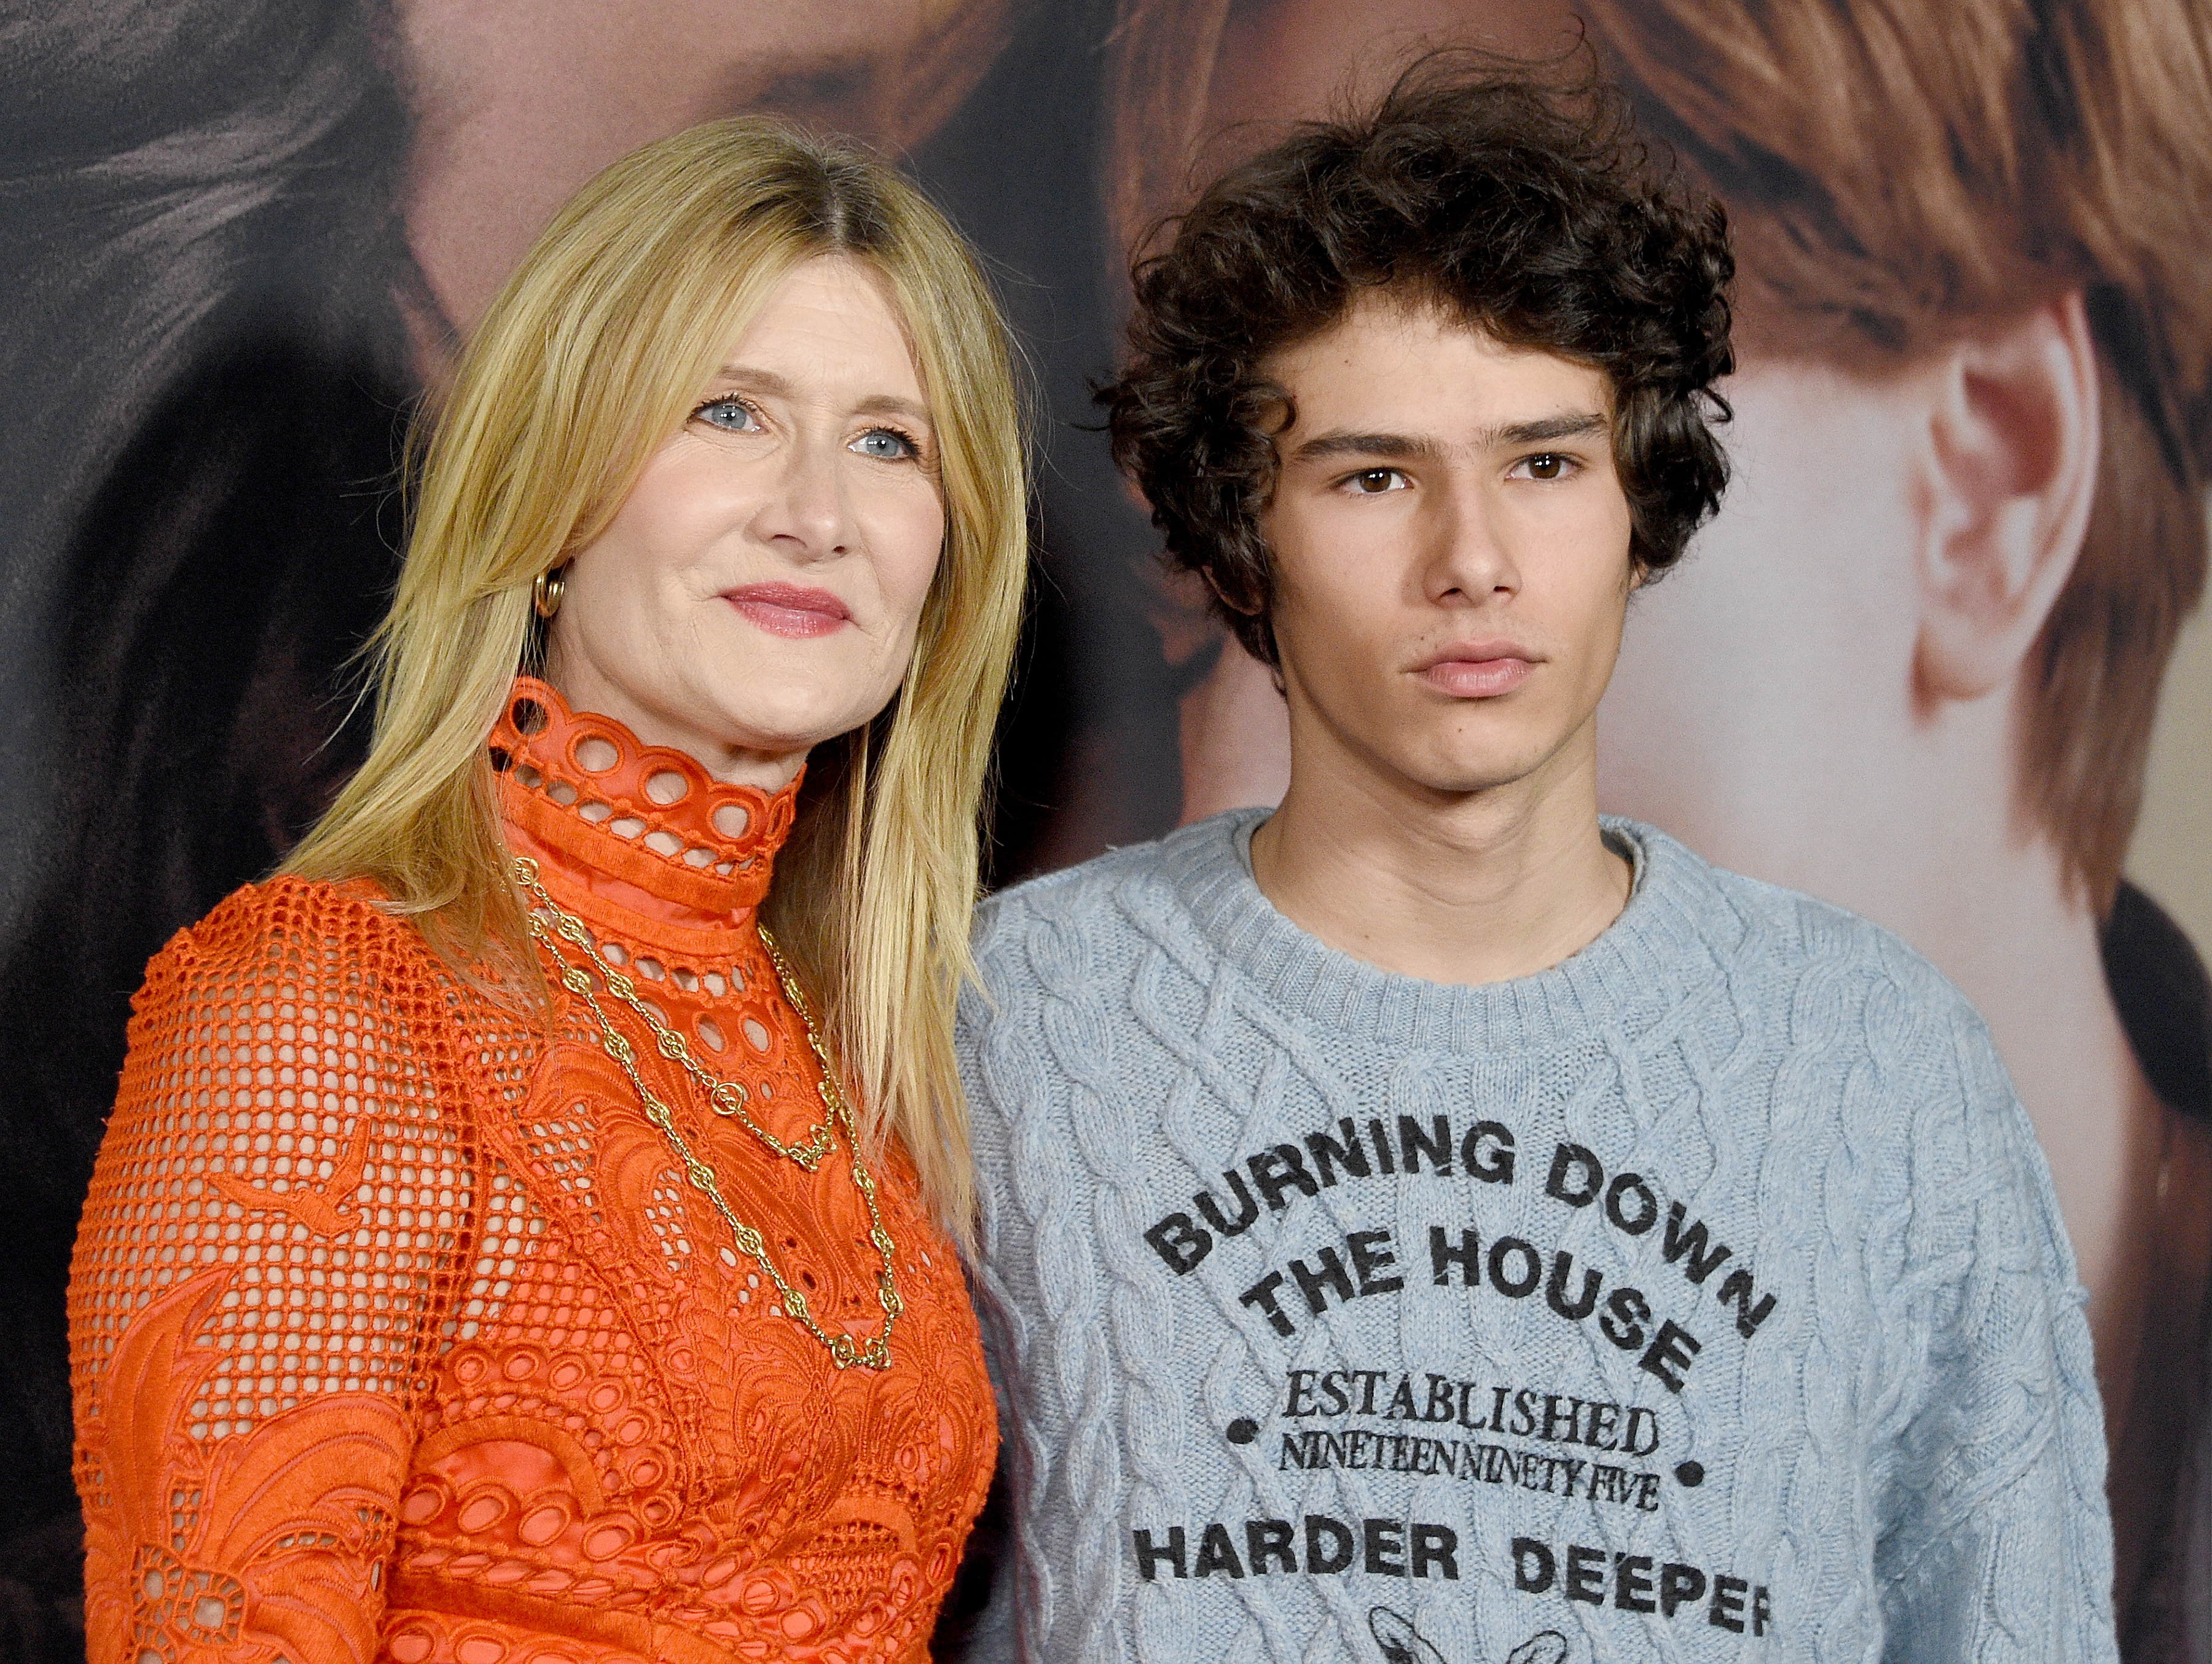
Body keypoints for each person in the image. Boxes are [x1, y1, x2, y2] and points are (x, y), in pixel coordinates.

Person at [955, 68, 2117, 1662]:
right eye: (1375, 475)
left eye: (1545, 463)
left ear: (1641, 503)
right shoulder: (1014, 1025)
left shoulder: (1887, 1067)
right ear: (1241, 531)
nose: (1473, 561)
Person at [0, 11, 1021, 1650]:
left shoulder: (851, 1071)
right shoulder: (323, 1004)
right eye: (726, 411)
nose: (817, 509)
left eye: (888, 441)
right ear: (550, 495)